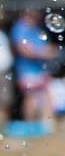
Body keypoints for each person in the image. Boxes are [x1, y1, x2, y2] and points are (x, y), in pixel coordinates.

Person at [10, 7, 55, 136]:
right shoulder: (20, 28)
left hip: (40, 70)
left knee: (45, 96)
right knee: (31, 97)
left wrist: (49, 51)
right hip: (26, 70)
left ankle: (45, 126)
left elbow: (43, 47)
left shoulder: (35, 30)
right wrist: (43, 53)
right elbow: (23, 50)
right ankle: (30, 126)